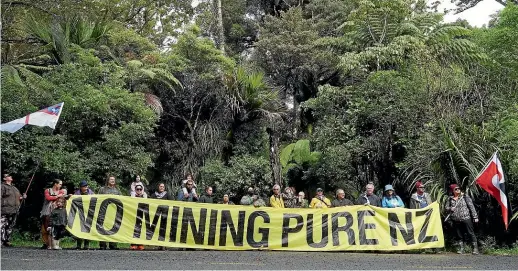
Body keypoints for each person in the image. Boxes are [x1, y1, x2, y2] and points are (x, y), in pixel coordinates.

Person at [445, 184, 479, 254]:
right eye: (456, 189)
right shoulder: (450, 198)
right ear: (452, 191)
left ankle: (475, 249)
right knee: (459, 235)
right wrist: (450, 208)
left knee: (470, 233)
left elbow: (471, 207)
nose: (458, 190)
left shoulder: (465, 197)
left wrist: (475, 216)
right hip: (456, 219)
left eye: (458, 188)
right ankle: (461, 248)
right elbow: (446, 208)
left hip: (466, 217)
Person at [40, 179, 68, 249]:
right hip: (47, 210)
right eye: (60, 184)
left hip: (57, 211)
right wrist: (58, 196)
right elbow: (48, 198)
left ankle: (55, 244)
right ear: (55, 184)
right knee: (46, 227)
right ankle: (47, 243)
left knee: (56, 228)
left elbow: (64, 198)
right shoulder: (47, 190)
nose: (61, 186)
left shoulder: (61, 191)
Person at [1, 173, 26, 247]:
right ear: (4, 179)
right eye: (8, 176)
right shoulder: (2, 187)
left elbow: (19, 197)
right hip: (4, 210)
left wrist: (23, 197)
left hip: (14, 210)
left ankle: (7, 241)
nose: (10, 177)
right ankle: (1, 241)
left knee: (10, 226)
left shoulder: (14, 188)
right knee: (2, 226)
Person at [98, 175, 122, 250]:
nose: (112, 181)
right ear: (108, 180)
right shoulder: (102, 189)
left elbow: (122, 199)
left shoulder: (117, 190)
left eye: (113, 179)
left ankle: (113, 244)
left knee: (114, 227)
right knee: (102, 227)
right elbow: (98, 198)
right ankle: (102, 244)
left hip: (114, 212)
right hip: (103, 212)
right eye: (111, 179)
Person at [73, 180, 93, 250]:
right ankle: (79, 244)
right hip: (79, 213)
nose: (85, 188)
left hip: (88, 213)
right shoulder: (77, 194)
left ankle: (86, 245)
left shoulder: (91, 193)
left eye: (86, 186)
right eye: (84, 186)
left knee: (87, 229)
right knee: (79, 229)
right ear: (80, 187)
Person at [131, 184, 146, 250]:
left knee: (142, 229)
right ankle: (133, 244)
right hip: (134, 215)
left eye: (140, 189)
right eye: (137, 189)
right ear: (135, 190)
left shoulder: (145, 196)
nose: (139, 190)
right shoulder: (132, 197)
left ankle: (140, 244)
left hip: (142, 215)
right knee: (134, 229)